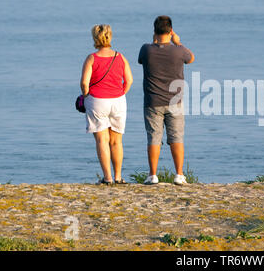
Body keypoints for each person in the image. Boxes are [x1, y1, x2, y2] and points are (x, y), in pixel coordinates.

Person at [138, 16, 195, 185]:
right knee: (176, 137)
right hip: (175, 102)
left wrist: (155, 41)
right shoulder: (178, 51)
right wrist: (178, 42)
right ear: (171, 31)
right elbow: (191, 58)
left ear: (154, 31)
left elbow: (141, 60)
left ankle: (152, 175)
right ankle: (178, 174)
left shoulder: (146, 49)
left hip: (152, 101)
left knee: (154, 138)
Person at [80, 24, 133, 185]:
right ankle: (118, 176)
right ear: (110, 37)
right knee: (116, 141)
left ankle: (107, 178)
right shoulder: (120, 57)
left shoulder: (91, 58)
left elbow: (84, 83)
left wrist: (86, 95)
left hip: (97, 101)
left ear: (95, 38)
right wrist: (120, 92)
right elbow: (129, 80)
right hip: (118, 100)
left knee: (102, 140)